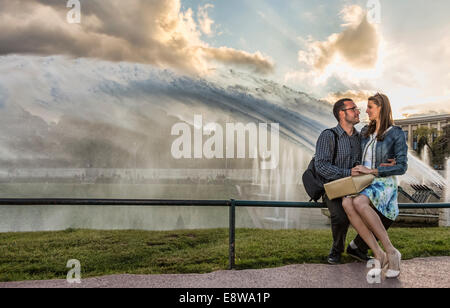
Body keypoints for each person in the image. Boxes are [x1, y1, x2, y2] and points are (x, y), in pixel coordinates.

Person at [315, 98, 396, 265]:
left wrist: (391, 160)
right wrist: (347, 172)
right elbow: (321, 166)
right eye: (353, 109)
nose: (358, 111)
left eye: (357, 109)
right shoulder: (328, 136)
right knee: (340, 216)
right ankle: (337, 250)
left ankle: (358, 247)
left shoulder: (362, 137)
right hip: (335, 188)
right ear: (341, 114)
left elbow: (376, 152)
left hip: (358, 187)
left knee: (386, 212)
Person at [342, 93, 408, 278]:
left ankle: (391, 251)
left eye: (370, 106)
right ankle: (378, 252)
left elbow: (402, 166)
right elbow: (354, 148)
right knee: (347, 203)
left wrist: (374, 170)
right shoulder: (364, 132)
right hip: (364, 181)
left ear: (381, 108)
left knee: (359, 203)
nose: (366, 110)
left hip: (382, 180)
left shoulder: (396, 133)